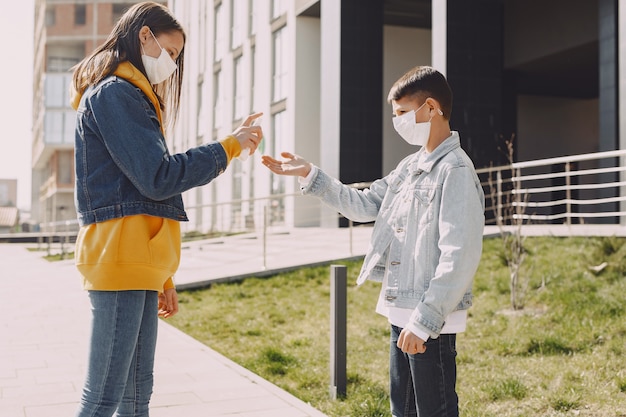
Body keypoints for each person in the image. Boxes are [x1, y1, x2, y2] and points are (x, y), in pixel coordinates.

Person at [70, 2, 262, 416]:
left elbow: (146, 195)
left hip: (136, 262)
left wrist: (164, 274)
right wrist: (229, 146)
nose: (171, 64)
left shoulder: (131, 93)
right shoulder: (115, 93)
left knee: (136, 397)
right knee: (104, 397)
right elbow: (158, 177)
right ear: (144, 36)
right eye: (170, 53)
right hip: (119, 259)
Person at [262, 66, 484, 417]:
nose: (397, 122)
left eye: (402, 113)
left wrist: (424, 321)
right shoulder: (410, 166)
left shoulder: (454, 170)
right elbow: (365, 205)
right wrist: (310, 174)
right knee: (403, 412)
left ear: (430, 108)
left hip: (428, 319)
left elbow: (460, 254)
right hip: (401, 309)